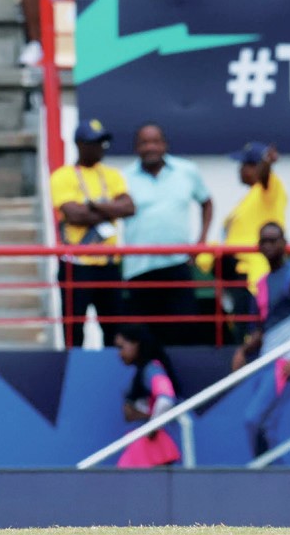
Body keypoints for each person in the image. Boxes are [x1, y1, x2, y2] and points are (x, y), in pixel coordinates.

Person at [231, 223, 290, 458]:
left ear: (284, 243)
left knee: (256, 420)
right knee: (262, 423)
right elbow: (261, 330)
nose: (269, 245)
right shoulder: (261, 284)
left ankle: (271, 474)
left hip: (285, 362)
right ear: (258, 246)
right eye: (264, 241)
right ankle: (268, 473)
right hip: (265, 362)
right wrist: (243, 351)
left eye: (273, 240)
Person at [121, 124, 212, 346]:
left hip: (177, 264)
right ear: (136, 148)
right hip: (139, 268)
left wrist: (201, 241)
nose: (150, 147)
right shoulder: (123, 177)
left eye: (155, 142)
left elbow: (206, 202)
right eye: (144, 143)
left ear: (164, 145)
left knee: (184, 331)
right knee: (144, 338)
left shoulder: (187, 170)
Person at [50, 119, 134, 349]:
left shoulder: (112, 175)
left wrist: (93, 206)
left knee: (115, 331)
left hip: (109, 265)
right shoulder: (62, 176)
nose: (100, 148)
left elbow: (129, 207)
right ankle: (74, 367)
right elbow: (73, 215)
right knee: (74, 331)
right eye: (94, 142)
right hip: (76, 266)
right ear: (79, 144)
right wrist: (110, 210)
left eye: (102, 142)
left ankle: (112, 369)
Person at [200, 144, 288, 327]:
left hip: (253, 274)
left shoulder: (269, 189)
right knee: (240, 325)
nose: (239, 170)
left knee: (250, 328)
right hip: (236, 272)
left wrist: (266, 163)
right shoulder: (251, 196)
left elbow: (266, 177)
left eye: (245, 165)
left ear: (256, 168)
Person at [114, 325, 181, 468]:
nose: (119, 354)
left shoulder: (152, 369)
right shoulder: (143, 371)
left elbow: (166, 399)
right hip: (143, 444)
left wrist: (151, 428)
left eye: (121, 347)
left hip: (150, 446)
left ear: (136, 344)